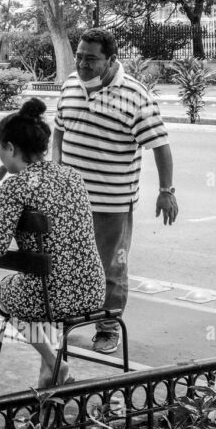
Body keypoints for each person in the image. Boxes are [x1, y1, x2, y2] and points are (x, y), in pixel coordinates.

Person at [53, 28, 178, 354]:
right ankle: (70, 319)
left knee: (111, 268)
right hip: (70, 202)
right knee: (70, 264)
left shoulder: (136, 96)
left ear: (111, 60)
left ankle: (107, 328)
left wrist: (167, 190)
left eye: (91, 59)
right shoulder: (69, 86)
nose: (81, 64)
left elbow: (160, 145)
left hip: (112, 203)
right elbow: (58, 132)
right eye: (79, 56)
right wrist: (57, 172)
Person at [0, 98, 105, 388]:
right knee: (38, 287)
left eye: (0, 147)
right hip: (92, 289)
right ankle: (49, 373)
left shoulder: (17, 185)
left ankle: (54, 362)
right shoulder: (72, 175)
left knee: (13, 296)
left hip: (52, 296)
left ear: (10, 148)